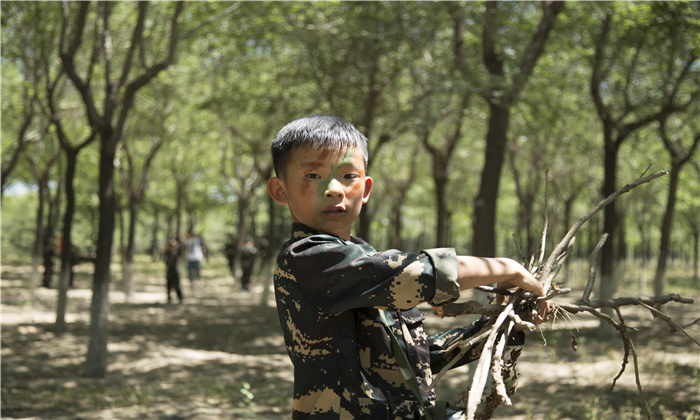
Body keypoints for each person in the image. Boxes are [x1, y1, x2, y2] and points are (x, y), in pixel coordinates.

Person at [265, 114, 550, 420]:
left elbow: (418, 356)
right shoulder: (307, 258)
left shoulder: (364, 256)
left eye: (349, 176)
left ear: (366, 188)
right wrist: (506, 268)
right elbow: (415, 274)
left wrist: (499, 323)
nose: (335, 189)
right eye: (312, 175)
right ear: (280, 190)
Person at [163, 238, 184, 304]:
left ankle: (180, 298)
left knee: (177, 285)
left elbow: (182, 250)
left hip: (176, 270)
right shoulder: (168, 253)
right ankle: (169, 298)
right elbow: (165, 259)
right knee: (169, 284)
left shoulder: (178, 252)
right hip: (169, 270)